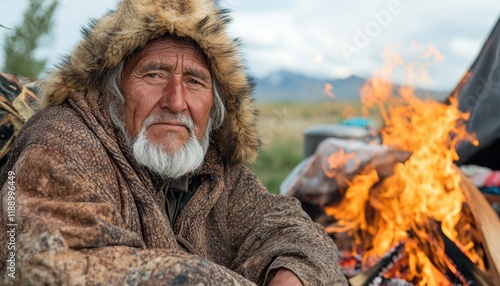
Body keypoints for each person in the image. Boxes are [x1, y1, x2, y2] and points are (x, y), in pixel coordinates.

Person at [0, 0, 348, 285]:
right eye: (154, 74)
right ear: (111, 88)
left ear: (215, 103)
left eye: (195, 81)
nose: (176, 101)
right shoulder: (63, 142)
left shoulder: (212, 166)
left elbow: (285, 225)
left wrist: (294, 274)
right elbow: (53, 265)